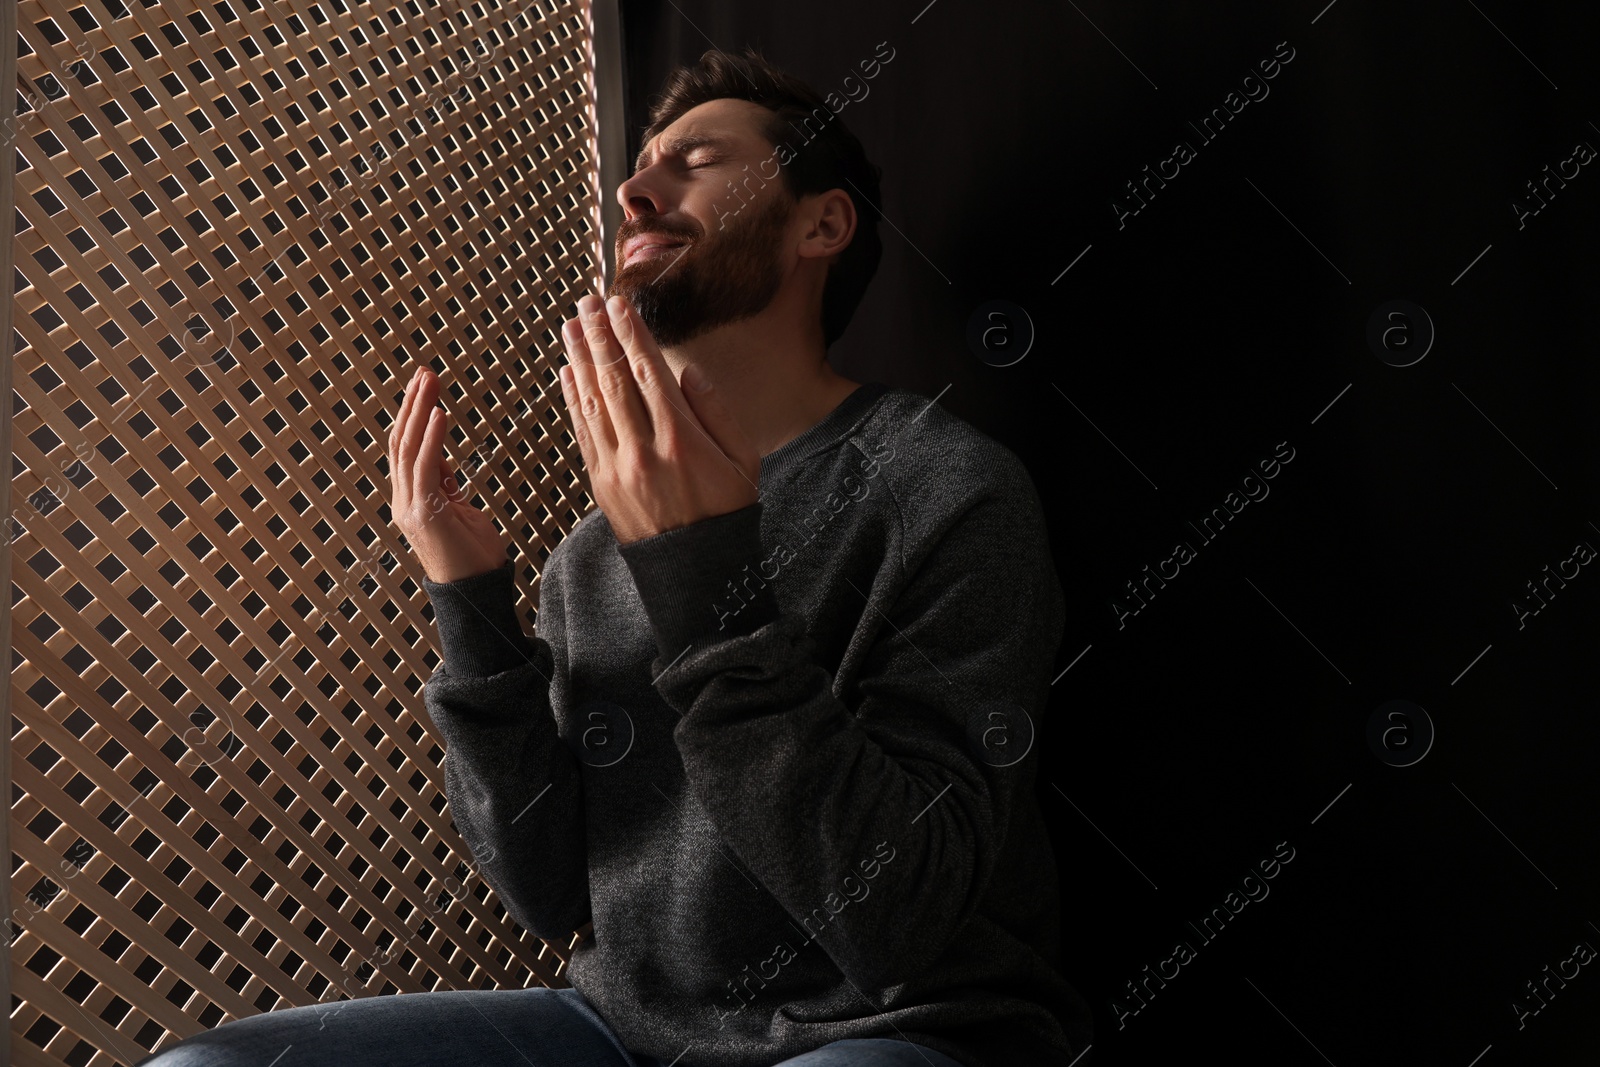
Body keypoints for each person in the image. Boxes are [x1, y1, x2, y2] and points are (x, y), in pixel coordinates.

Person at [139, 46, 1091, 1067]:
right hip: (626, 1034)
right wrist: (472, 608)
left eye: (697, 160)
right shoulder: (593, 550)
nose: (636, 189)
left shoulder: (944, 489)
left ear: (822, 221)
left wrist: (698, 570)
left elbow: (896, 921)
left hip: (893, 1031)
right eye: (641, 168)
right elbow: (549, 889)